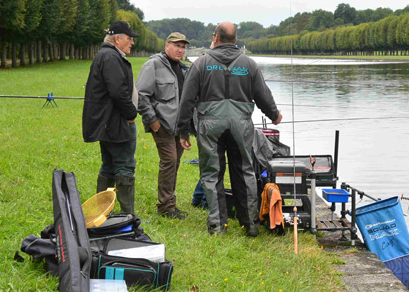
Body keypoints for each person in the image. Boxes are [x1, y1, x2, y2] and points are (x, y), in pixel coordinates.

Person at [177, 22, 282, 236]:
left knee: (211, 173)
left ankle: (217, 226)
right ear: (235, 40)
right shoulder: (249, 65)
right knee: (244, 171)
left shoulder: (201, 63)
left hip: (209, 124)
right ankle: (251, 224)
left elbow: (186, 100)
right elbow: (263, 95)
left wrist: (183, 130)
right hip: (241, 125)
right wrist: (274, 115)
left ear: (215, 37)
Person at [82, 20, 140, 214]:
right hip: (116, 123)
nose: (132, 43)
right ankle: (127, 216)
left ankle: (102, 212)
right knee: (124, 166)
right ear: (118, 38)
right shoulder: (111, 57)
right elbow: (118, 91)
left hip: (106, 123)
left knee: (108, 166)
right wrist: (131, 114)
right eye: (129, 39)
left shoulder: (105, 55)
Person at [136, 32, 190, 219]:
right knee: (169, 162)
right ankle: (166, 207)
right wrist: (153, 122)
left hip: (179, 127)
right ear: (167, 46)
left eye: (183, 47)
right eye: (177, 46)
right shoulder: (153, 65)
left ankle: (170, 203)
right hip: (162, 125)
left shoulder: (183, 69)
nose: (180, 50)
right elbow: (141, 95)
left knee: (175, 163)